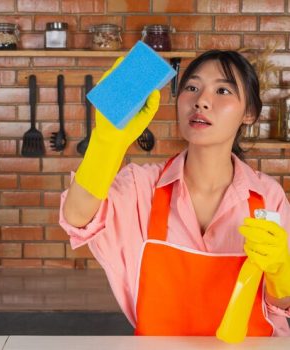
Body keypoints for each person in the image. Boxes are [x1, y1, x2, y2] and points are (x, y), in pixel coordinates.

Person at [60, 50, 290, 336]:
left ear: (249, 113)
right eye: (191, 88)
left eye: (222, 90)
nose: (201, 101)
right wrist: (106, 142)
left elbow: (281, 304)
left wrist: (281, 276)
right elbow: (77, 217)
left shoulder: (268, 197)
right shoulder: (140, 186)